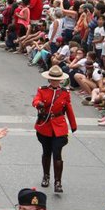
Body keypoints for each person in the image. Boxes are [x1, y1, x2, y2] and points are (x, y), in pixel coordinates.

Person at [33, 65, 77, 193]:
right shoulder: (42, 90)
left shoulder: (64, 93)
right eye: (52, 79)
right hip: (45, 125)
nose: (55, 82)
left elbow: (68, 109)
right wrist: (39, 104)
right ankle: (46, 176)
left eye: (57, 80)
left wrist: (73, 125)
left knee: (57, 153)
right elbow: (36, 100)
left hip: (59, 126)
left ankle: (58, 182)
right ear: (49, 80)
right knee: (46, 152)